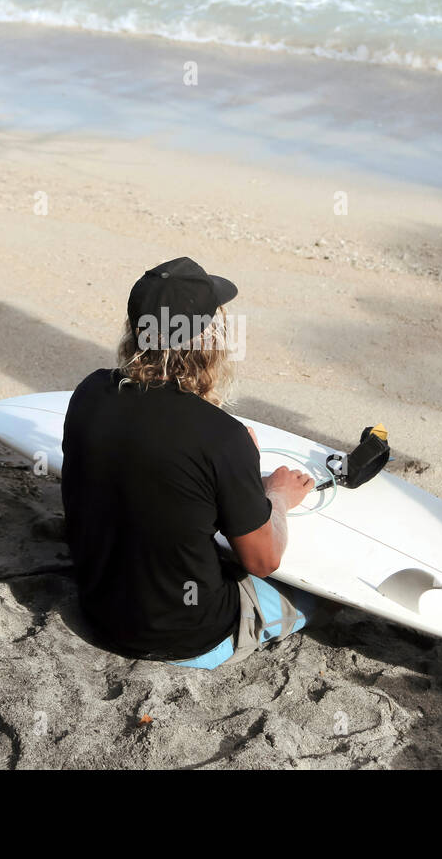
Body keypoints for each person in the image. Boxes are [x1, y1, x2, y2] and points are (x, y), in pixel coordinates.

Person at [61, 257, 319, 669]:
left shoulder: (89, 392)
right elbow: (264, 562)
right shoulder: (221, 436)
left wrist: (232, 461)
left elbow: (148, 472)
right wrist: (277, 496)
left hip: (98, 608)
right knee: (315, 598)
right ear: (208, 339)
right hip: (184, 637)